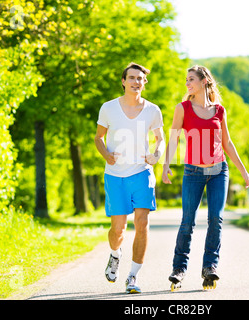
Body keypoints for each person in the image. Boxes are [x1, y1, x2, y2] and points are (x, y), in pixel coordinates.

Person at [162, 65, 249, 291]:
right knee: (187, 221)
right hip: (193, 172)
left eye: (191, 79)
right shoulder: (182, 108)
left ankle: (210, 268)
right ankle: (179, 269)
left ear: (204, 81)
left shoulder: (219, 110)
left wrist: (244, 171)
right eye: (186, 79)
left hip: (218, 171)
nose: (187, 83)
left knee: (216, 219)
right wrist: (166, 165)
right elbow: (173, 138)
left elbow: (228, 144)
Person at [95, 62, 165, 294]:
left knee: (142, 223)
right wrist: (106, 155)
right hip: (115, 175)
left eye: (140, 78)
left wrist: (156, 154)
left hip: (142, 172)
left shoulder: (153, 110)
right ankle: (115, 254)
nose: (136, 82)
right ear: (123, 81)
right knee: (118, 229)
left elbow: (160, 139)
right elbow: (98, 138)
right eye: (132, 78)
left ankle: (133, 277)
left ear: (144, 83)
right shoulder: (108, 108)